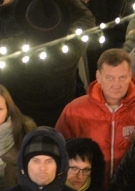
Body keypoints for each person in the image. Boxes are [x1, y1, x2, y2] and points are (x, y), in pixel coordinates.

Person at [55, 47, 135, 176]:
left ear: (130, 75)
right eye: (110, 78)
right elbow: (60, 151)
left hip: (128, 190)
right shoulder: (75, 110)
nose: (116, 84)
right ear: (99, 76)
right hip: (89, 187)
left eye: (122, 77)